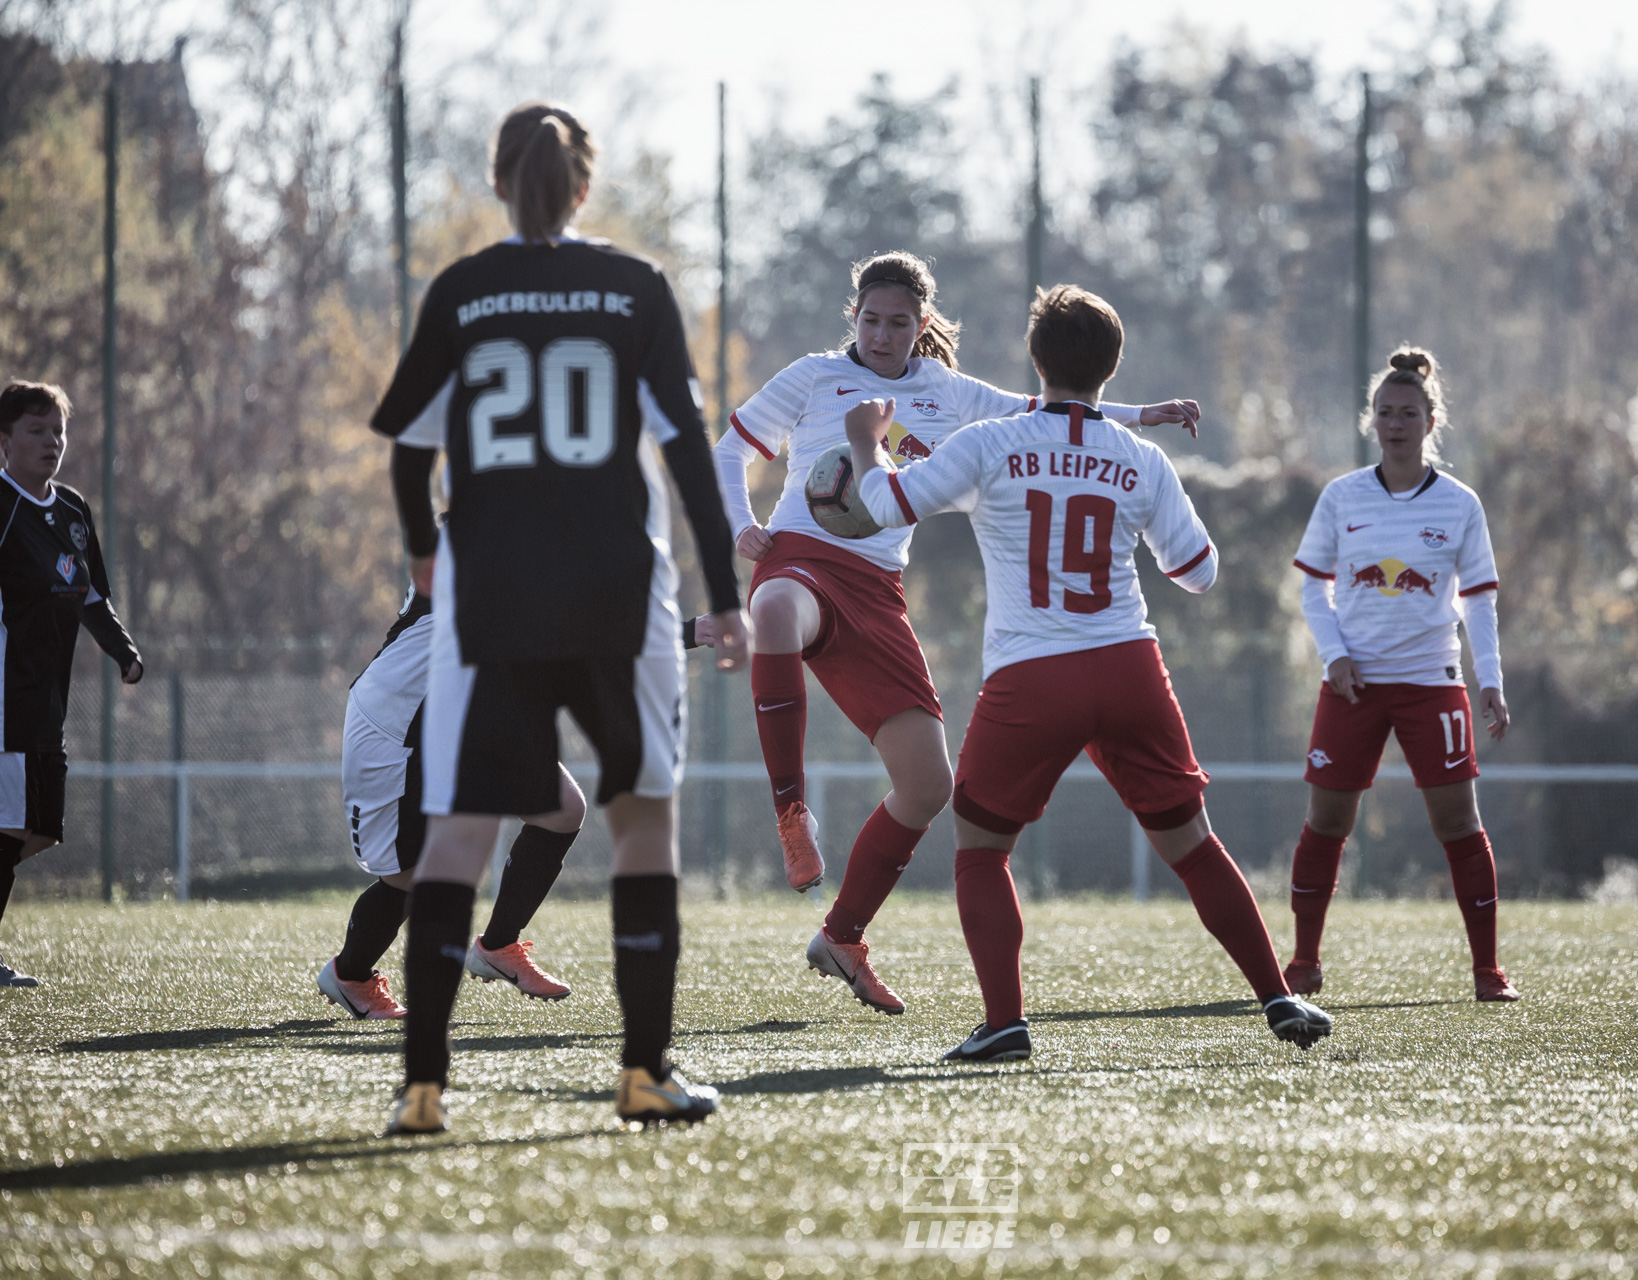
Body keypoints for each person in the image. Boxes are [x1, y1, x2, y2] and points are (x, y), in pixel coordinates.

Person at [369, 101, 747, 1135]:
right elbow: (687, 456)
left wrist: (423, 552)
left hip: (489, 596)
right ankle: (641, 1073)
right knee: (641, 825)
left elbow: (408, 449)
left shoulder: (465, 289)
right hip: (616, 595)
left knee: (454, 839)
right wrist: (725, 597)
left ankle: (423, 1087)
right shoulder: (633, 287)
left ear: (500, 180)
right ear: (585, 186)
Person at [844, 285, 1332, 1061]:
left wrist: (868, 443)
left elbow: (888, 504)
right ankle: (1277, 995)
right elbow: (1199, 572)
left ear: (1035, 360)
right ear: (1113, 367)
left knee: (980, 849)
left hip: (1033, 674)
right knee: (1194, 844)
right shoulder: (1141, 455)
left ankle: (1005, 1021)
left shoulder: (990, 442)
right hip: (1128, 665)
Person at [714, 250, 1200, 1016]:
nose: (881, 334)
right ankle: (792, 811)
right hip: (800, 562)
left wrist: (1150, 415)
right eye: (870, 319)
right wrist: (745, 527)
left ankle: (842, 936)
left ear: (923, 326)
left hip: (877, 591)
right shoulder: (813, 377)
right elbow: (729, 449)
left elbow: (1048, 404)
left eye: (899, 323)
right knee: (773, 612)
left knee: (929, 786)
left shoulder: (945, 392)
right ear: (854, 317)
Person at [1285, 347, 1519, 1003]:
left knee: (1459, 825)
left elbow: (1478, 599)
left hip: (1431, 680)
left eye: (1408, 412)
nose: (1395, 423)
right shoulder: (1342, 497)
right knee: (1326, 820)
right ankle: (1302, 963)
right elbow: (1312, 594)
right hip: (1351, 685)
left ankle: (1487, 970)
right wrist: (1335, 656)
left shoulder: (1460, 504)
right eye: (1385, 412)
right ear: (1371, 420)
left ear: (1431, 418)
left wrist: (1489, 679)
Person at [316, 587, 586, 1021]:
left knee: (563, 809)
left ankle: (497, 946)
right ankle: (349, 976)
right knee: (410, 877)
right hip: (395, 723)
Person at [0, 380, 143, 990]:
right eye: (35, 430)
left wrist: (122, 650)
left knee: (37, 830)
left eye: (57, 430)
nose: (51, 442)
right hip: (3, 700)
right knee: (11, 827)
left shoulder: (73, 512)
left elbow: (89, 592)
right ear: (4, 440)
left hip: (45, 702)